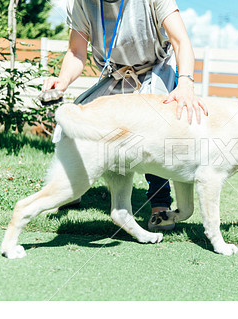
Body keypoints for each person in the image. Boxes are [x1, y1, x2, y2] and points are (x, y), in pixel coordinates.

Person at [42, 0, 207, 230]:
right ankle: (70, 188)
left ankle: (160, 204)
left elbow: (181, 41)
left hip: (155, 70)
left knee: (154, 131)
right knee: (76, 123)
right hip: (117, 75)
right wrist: (62, 80)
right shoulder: (83, 2)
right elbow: (76, 52)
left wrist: (186, 83)